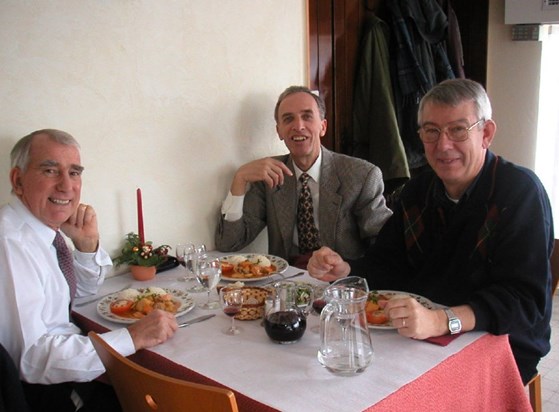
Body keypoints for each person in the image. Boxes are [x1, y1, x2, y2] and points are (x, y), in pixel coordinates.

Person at [307, 79, 554, 385]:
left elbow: (524, 301)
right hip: (418, 338)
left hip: (499, 345)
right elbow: (387, 263)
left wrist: (440, 320)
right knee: (338, 373)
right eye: (431, 131)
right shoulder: (418, 190)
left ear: (486, 133)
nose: (443, 145)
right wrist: (345, 269)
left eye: (458, 130)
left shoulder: (519, 192)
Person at [0, 129, 178, 411]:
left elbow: (77, 294)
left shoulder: (40, 232)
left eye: (74, 172)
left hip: (68, 373)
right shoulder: (10, 242)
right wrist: (132, 337)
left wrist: (86, 246)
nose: (66, 186)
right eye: (50, 170)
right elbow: (31, 359)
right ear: (18, 180)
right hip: (48, 394)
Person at [215, 86, 392, 268]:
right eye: (288, 119)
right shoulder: (269, 176)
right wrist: (240, 179)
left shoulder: (362, 175)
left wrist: (351, 270)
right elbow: (229, 243)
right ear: (280, 131)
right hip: (286, 285)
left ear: (322, 127)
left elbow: (387, 245)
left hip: (340, 283)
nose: (298, 126)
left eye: (307, 116)